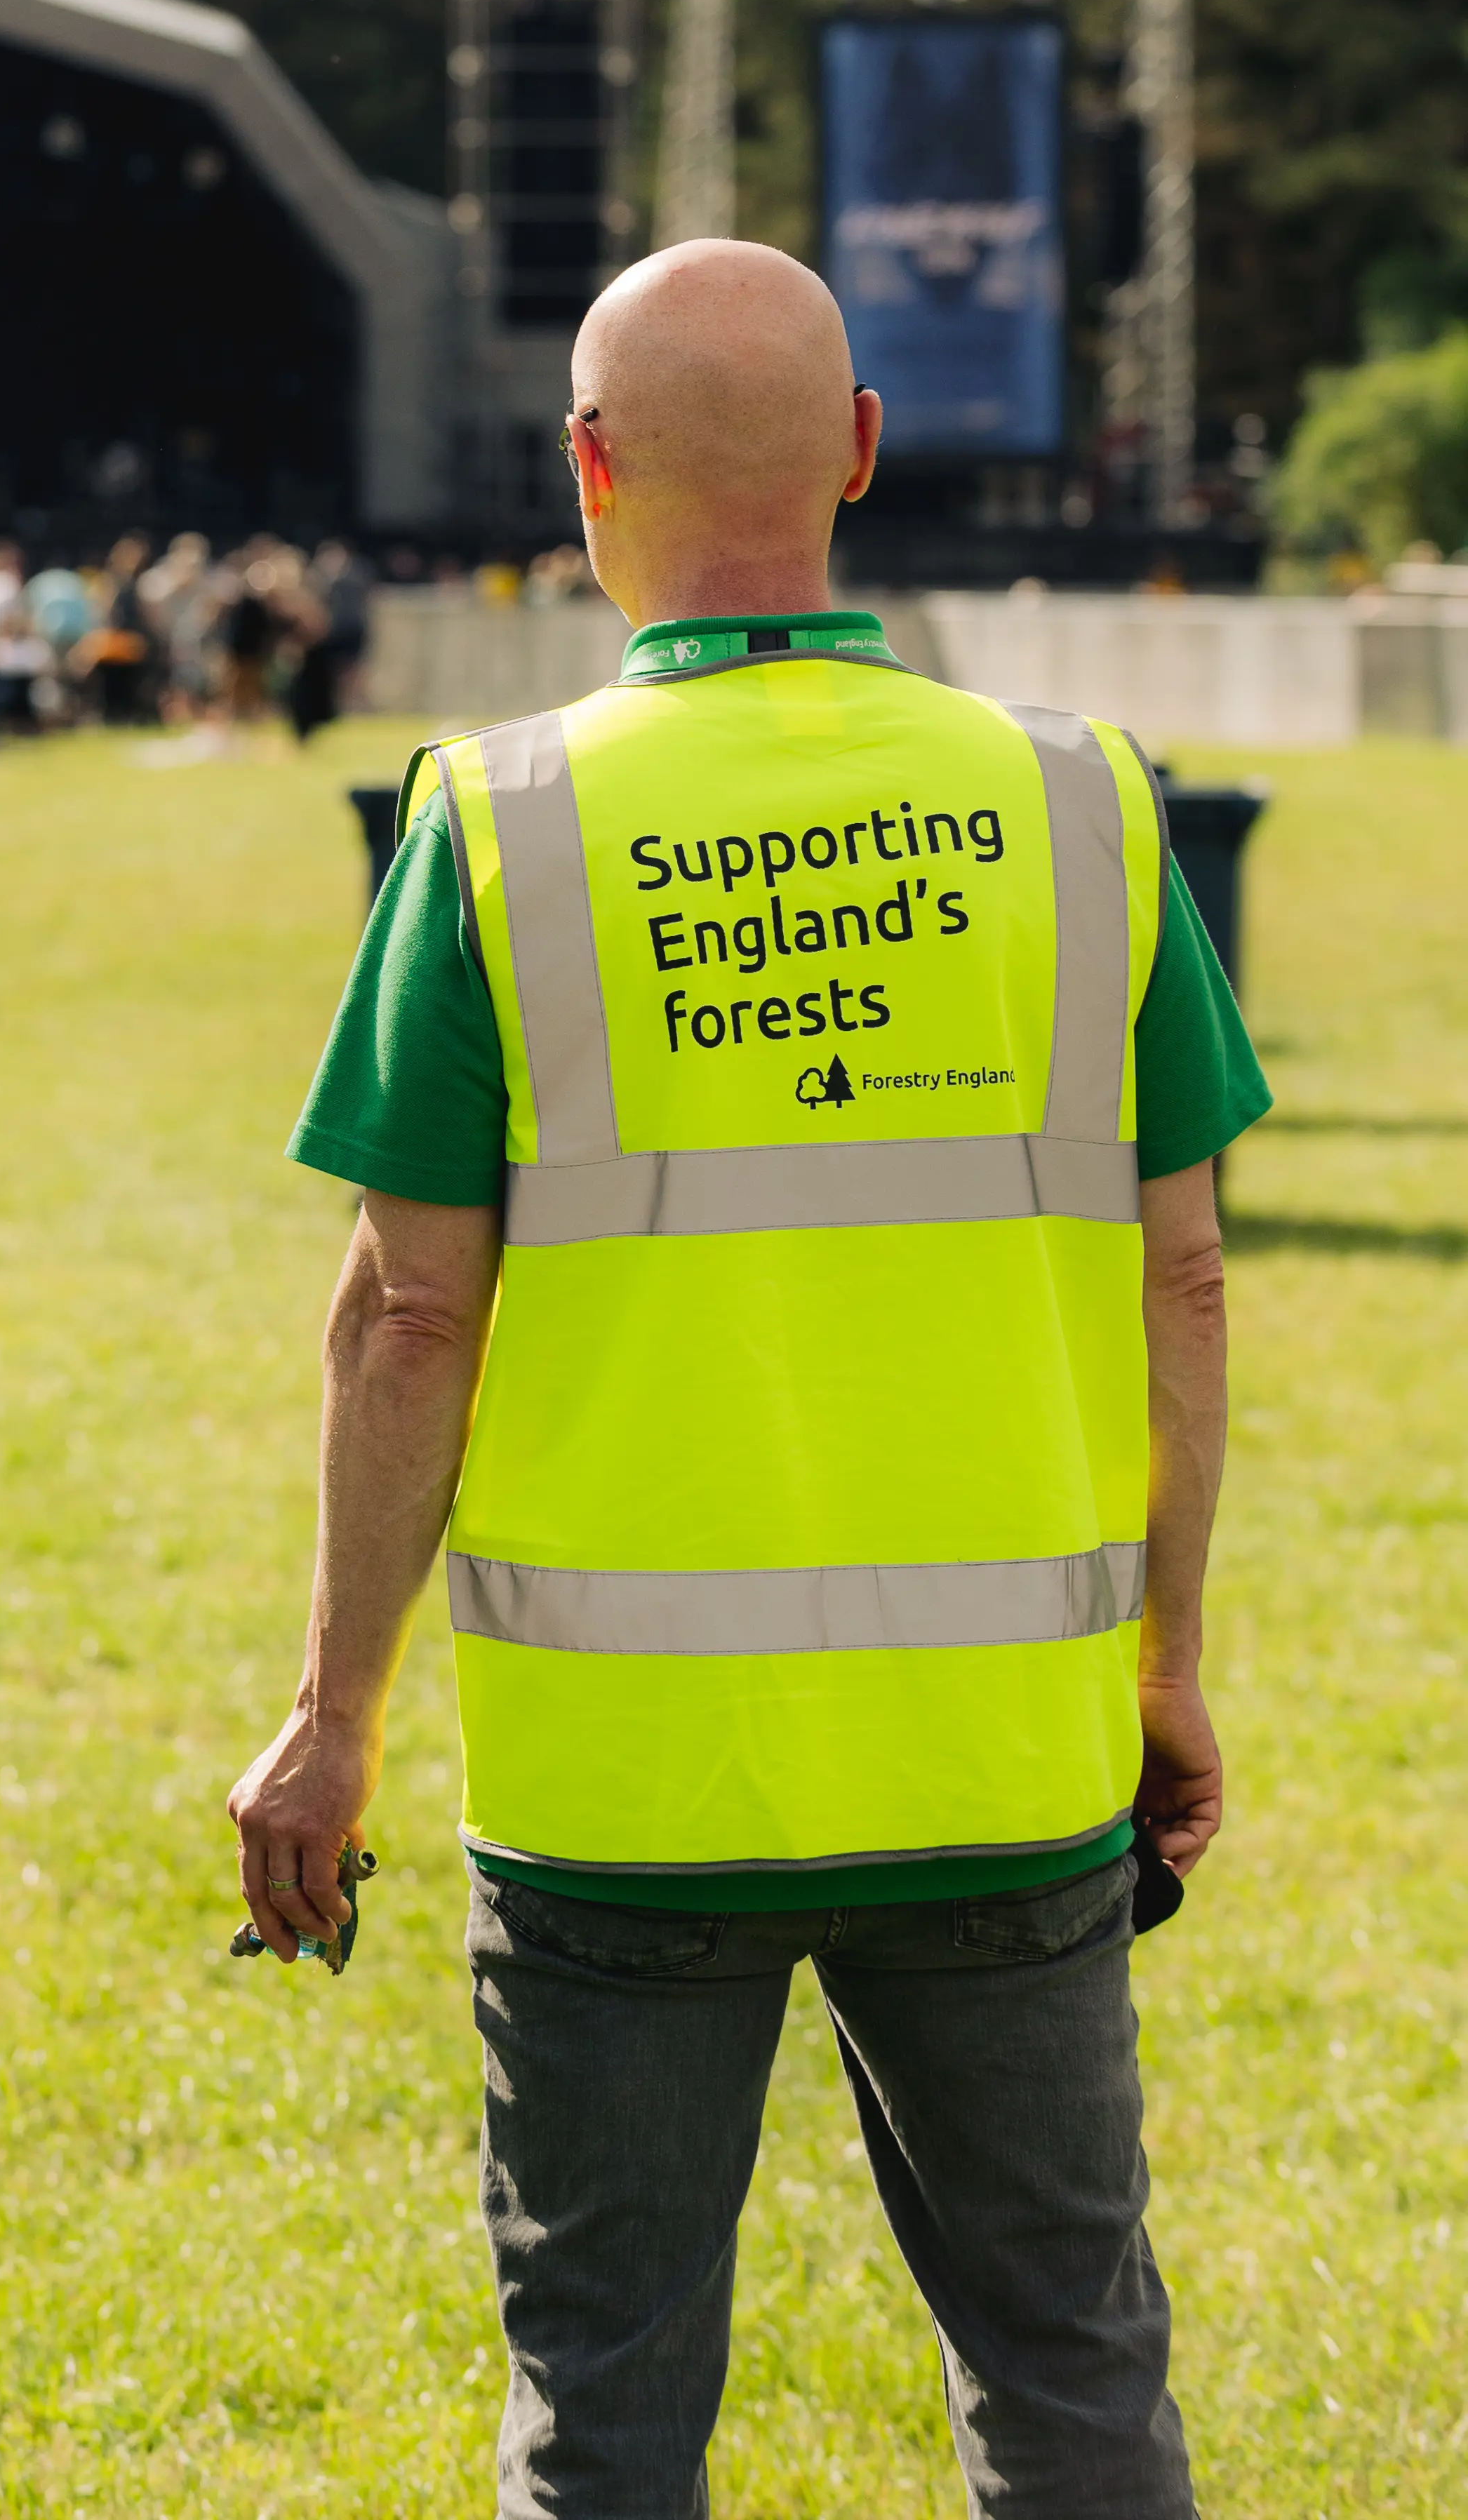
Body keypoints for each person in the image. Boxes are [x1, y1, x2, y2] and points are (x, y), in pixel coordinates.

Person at [229, 240, 1262, 2520]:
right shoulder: (1087, 802)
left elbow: (410, 1312)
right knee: (1074, 2381)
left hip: (629, 1785)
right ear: (868, 454)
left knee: (605, 2421)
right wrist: (1167, 1661)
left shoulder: (496, 821)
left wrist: (337, 1711)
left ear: (582, 473)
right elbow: (1183, 1281)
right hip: (1007, 1749)